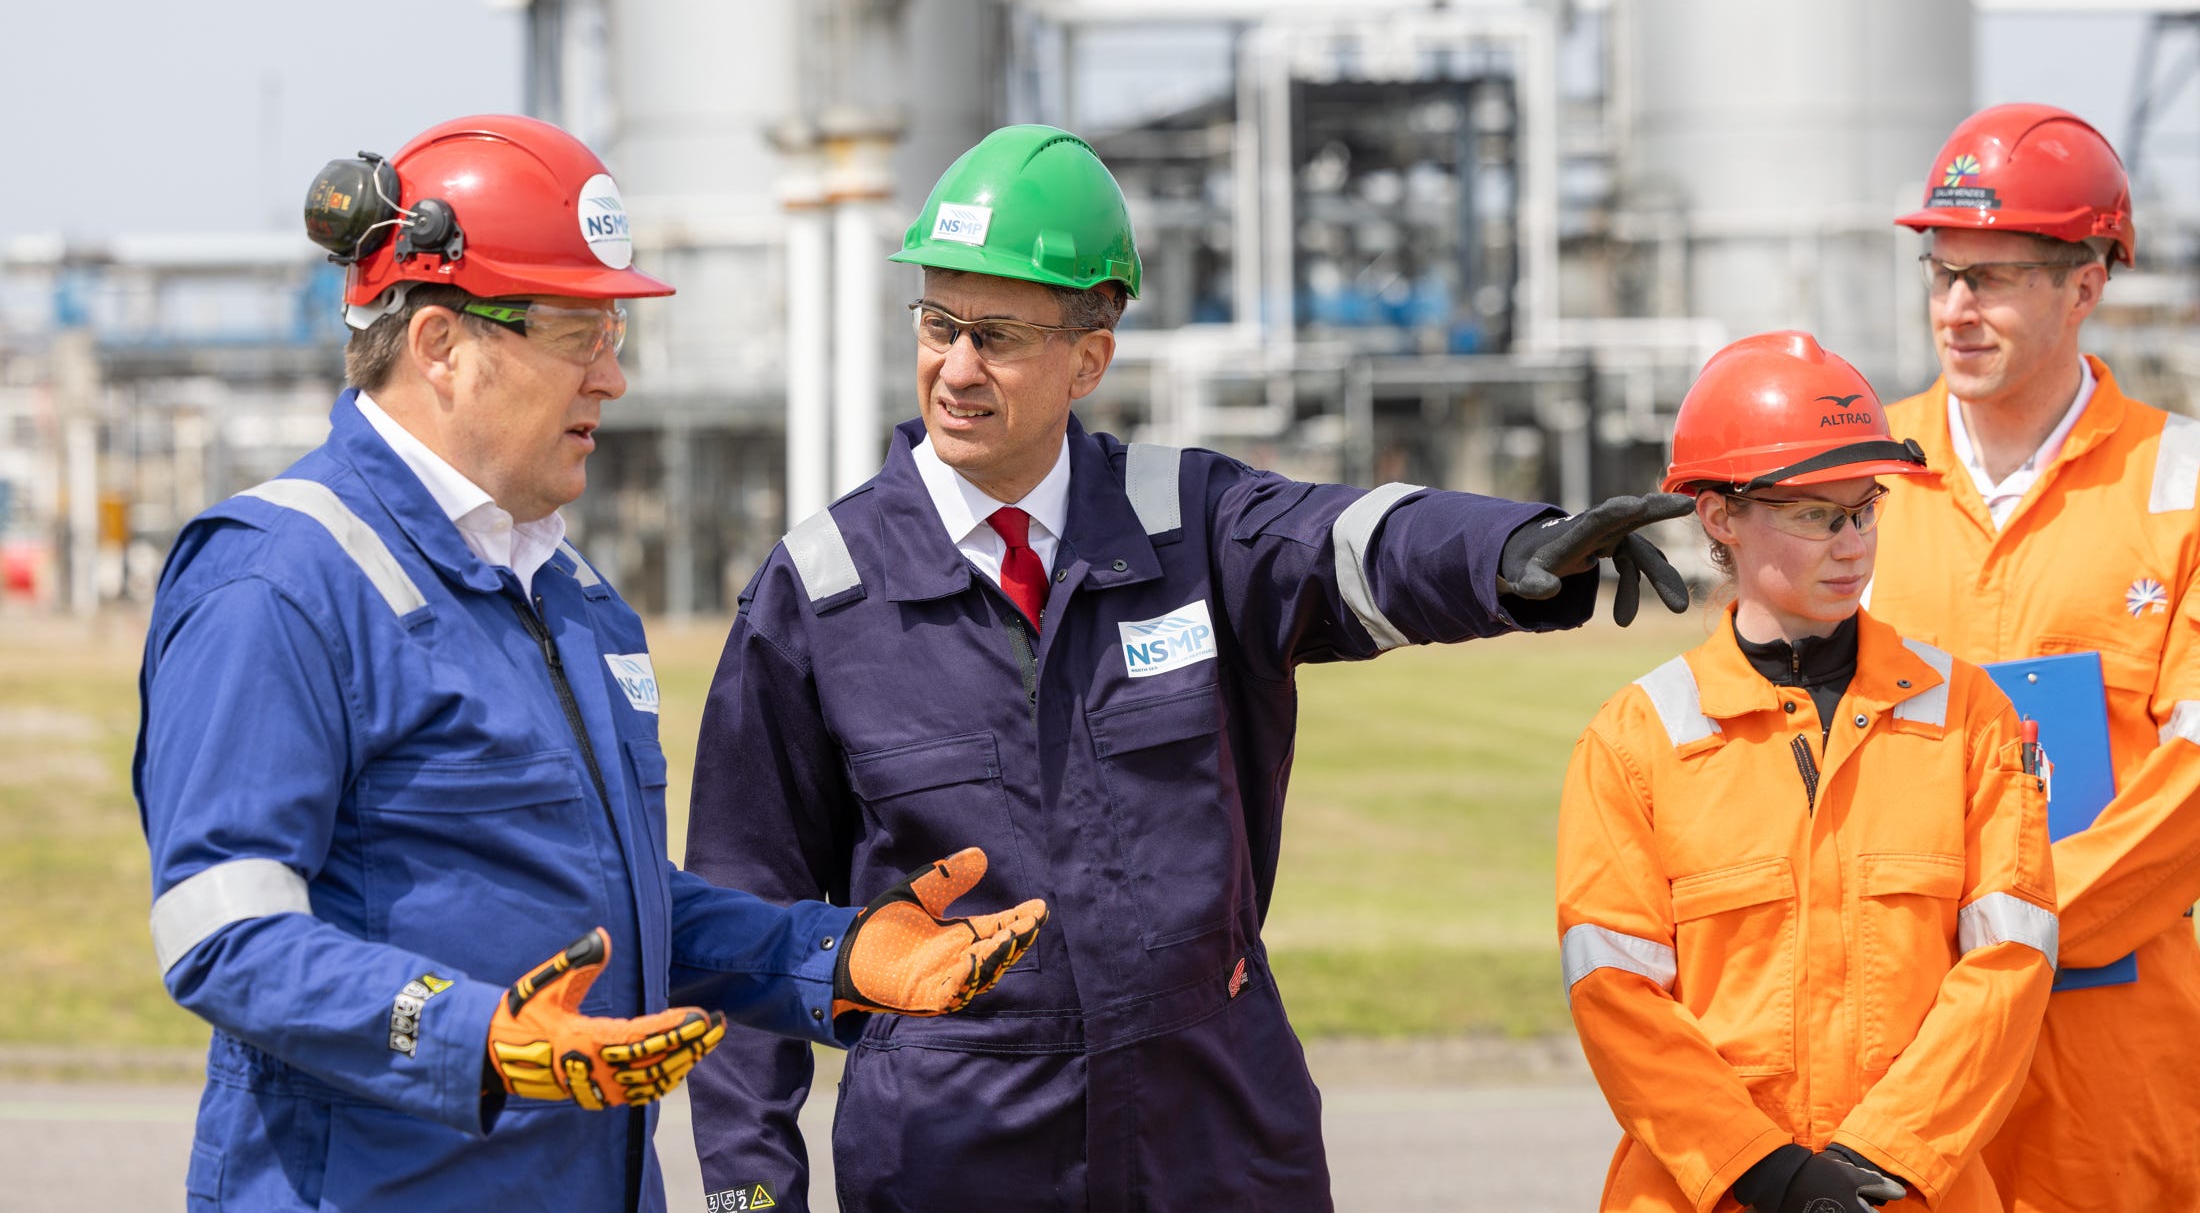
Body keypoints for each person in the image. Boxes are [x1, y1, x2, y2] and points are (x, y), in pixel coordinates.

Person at [682, 122, 1699, 1212]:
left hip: (1211, 1127)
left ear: (1091, 353)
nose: (956, 368)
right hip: (954, 1147)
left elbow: (1355, 541)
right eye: (937, 323)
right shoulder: (823, 588)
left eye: (996, 334)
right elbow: (748, 908)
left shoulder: (1188, 524)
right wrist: (750, 1193)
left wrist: (1507, 552)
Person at [134, 115, 1045, 1213]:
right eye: (580, 335)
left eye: (616, 337)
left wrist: (836, 958)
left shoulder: (573, 598)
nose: (613, 380)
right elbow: (223, 931)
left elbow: (619, 909)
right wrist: (477, 1037)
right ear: (440, 345)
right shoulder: (277, 582)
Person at [1559, 331, 2056, 1213]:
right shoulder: (1635, 741)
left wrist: (1881, 1158)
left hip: (1914, 1190)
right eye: (1814, 515)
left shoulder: (1971, 715)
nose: (1851, 544)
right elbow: (1618, 997)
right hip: (1709, 1193)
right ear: (1719, 516)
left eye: (1864, 509)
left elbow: (2010, 965)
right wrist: (1770, 1172)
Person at [1866, 102, 2200, 1211]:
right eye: (1941, 274)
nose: (1955, 310)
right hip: (1903, 1032)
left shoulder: (2181, 486)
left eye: (1993, 278)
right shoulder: (1859, 476)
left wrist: (2015, 931)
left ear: (2085, 285)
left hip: (2112, 1038)